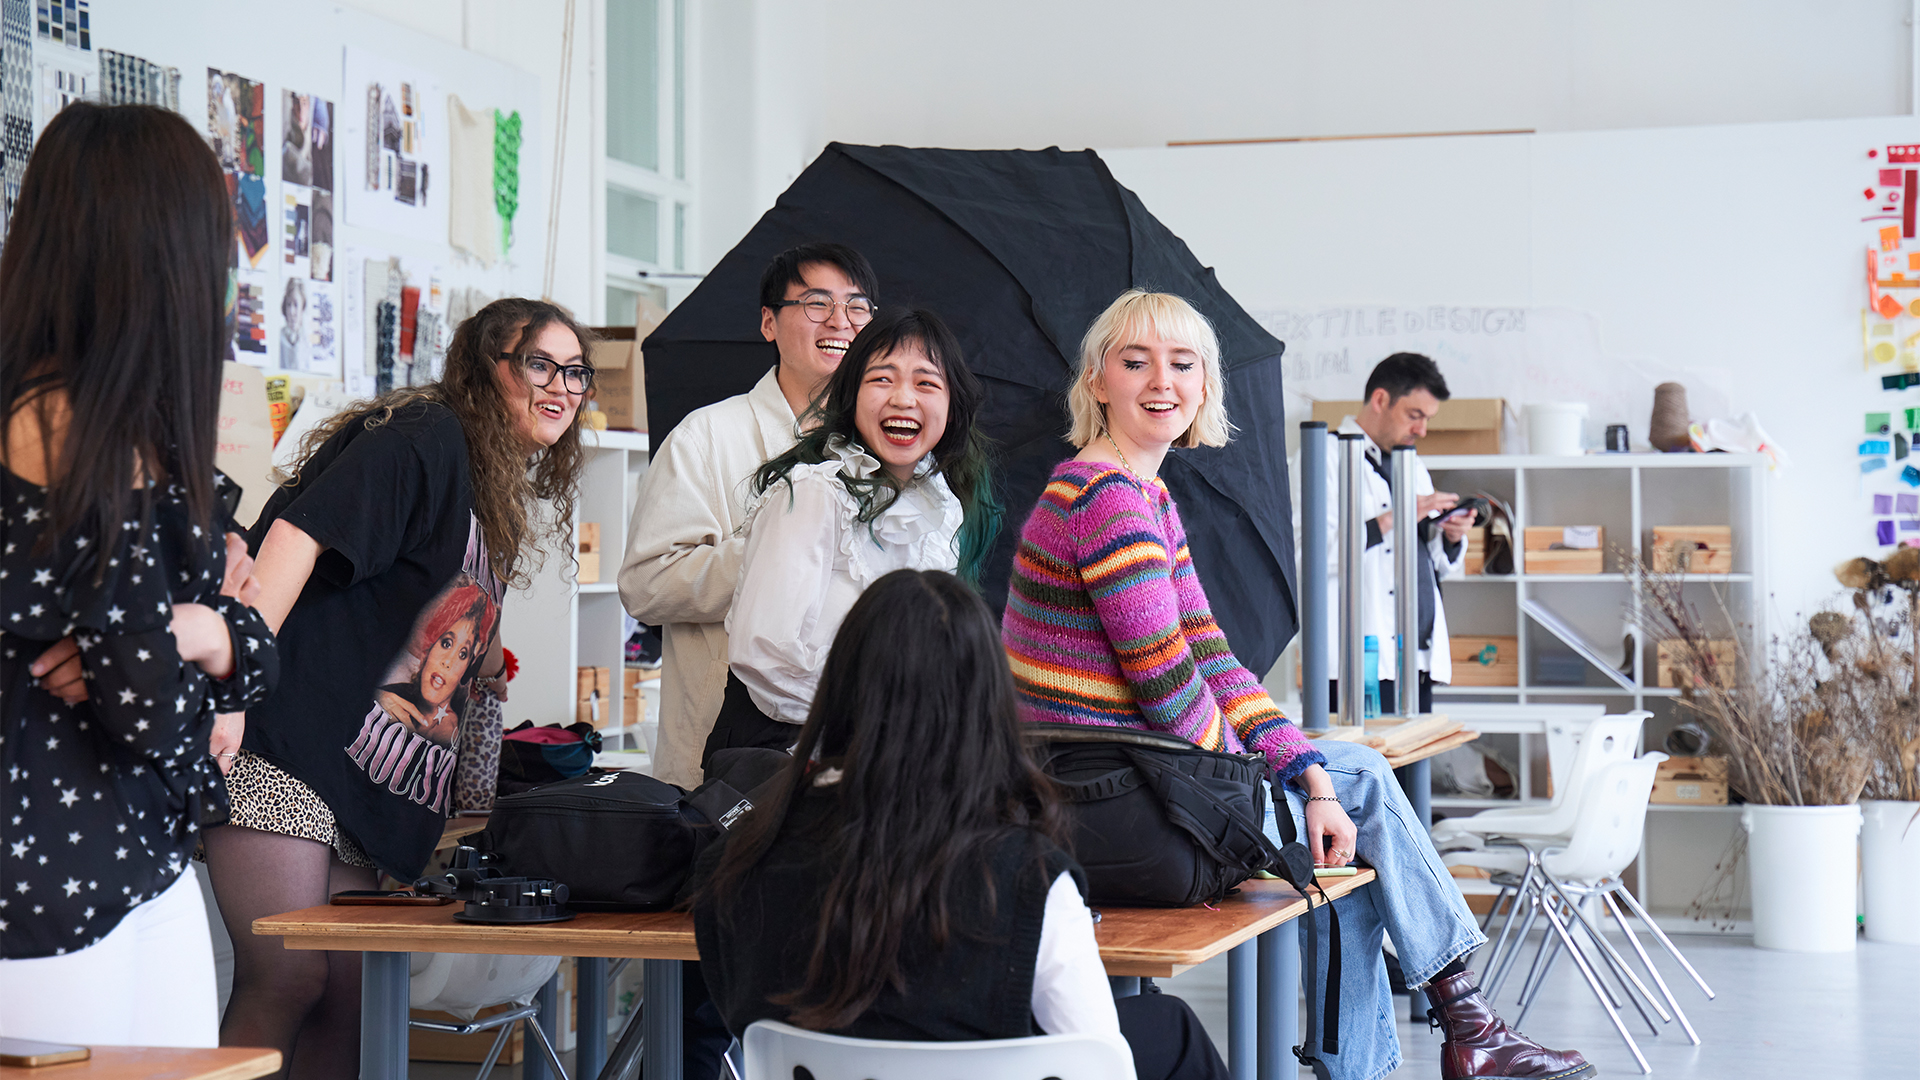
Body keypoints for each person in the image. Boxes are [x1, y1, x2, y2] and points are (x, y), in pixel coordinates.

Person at [1001, 290, 1593, 1080]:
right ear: (1096, 380)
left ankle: (1436, 1039)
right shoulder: (1104, 499)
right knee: (1364, 795)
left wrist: (1302, 768)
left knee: (1341, 825)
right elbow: (1170, 688)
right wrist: (1272, 781)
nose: (1161, 382)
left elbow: (1212, 655)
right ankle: (1465, 1024)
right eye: (1135, 361)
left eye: (1183, 364)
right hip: (1104, 799)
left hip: (1130, 783)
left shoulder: (1145, 494)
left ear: (1207, 386)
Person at [203, 298, 592, 1077]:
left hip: (355, 782)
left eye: (576, 372)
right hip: (286, 742)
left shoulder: (487, 487)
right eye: (538, 363)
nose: (562, 385)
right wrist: (234, 691)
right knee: (289, 973)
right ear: (486, 368)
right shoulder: (428, 436)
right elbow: (297, 536)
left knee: (349, 991)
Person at [697, 569, 1229, 1080]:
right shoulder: (1028, 878)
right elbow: (1094, 1061)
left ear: (841, 687)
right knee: (1168, 1028)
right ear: (986, 703)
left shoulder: (738, 860)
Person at [0, 103, 278, 1046]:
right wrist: (201, 643)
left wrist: (204, 634)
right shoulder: (77, 428)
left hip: (125, 864)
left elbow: (214, 656)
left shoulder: (111, 423)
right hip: (62, 886)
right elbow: (153, 710)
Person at [618, 243, 879, 791]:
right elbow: (646, 584)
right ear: (768, 322)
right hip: (723, 754)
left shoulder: (882, 449)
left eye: (858, 307)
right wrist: (780, 553)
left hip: (844, 746)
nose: (841, 322)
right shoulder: (707, 437)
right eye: (816, 303)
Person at [714, 307, 997, 763]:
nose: (904, 399)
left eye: (926, 383)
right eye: (882, 379)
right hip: (788, 755)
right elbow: (763, 656)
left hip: (889, 761)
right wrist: (878, 720)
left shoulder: (943, 507)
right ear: (850, 394)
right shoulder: (813, 493)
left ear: (952, 405)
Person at [1314, 353, 1474, 716]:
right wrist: (1392, 518)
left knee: (1413, 769)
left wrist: (1450, 535)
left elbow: (1432, 561)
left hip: (1414, 658)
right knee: (1366, 770)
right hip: (1360, 663)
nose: (1422, 430)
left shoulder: (1412, 463)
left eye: (1427, 419)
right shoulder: (1324, 456)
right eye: (1414, 415)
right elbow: (1312, 555)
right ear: (1381, 399)